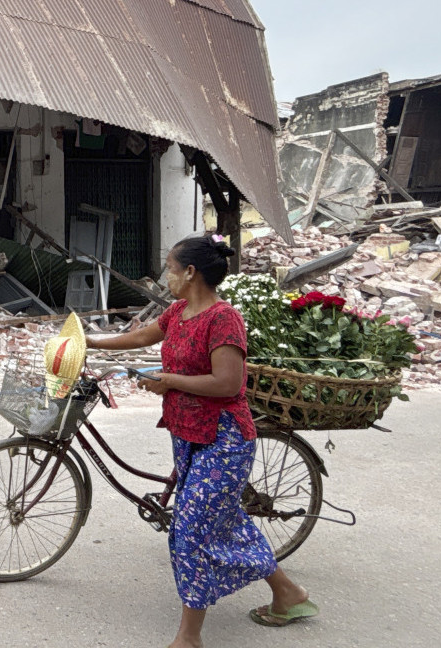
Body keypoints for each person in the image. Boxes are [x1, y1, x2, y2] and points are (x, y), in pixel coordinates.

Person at [86, 235, 318, 648]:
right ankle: (289, 594)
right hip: (188, 434)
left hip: (225, 439)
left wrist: (169, 381)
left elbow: (229, 382)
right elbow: (142, 338)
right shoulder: (178, 311)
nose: (166, 279)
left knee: (189, 529)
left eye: (170, 270)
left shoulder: (223, 319)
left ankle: (189, 637)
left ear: (190, 272)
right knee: (225, 519)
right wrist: (92, 343)